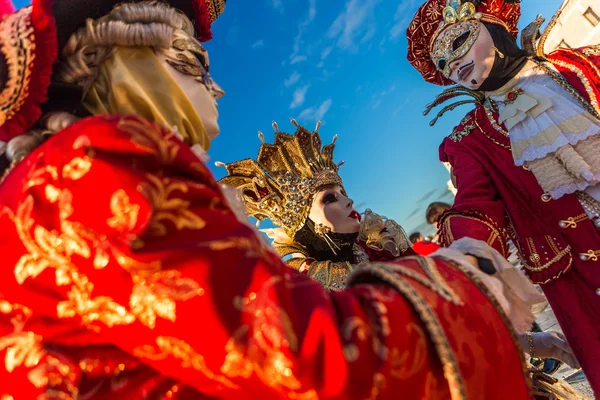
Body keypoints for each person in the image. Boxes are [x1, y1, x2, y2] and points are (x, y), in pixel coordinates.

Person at [0, 0, 578, 398]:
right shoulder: (97, 162)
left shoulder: (43, 190)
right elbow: (299, 359)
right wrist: (469, 283)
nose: (217, 86)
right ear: (129, 65)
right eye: (193, 64)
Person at [406, 0, 600, 393]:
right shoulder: (470, 140)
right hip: (583, 279)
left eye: (460, 42)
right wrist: (455, 269)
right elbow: (477, 211)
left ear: (493, 24)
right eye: (443, 65)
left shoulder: (579, 66)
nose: (453, 65)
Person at [218, 119, 415, 291]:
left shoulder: (384, 247)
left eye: (343, 193)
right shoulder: (304, 289)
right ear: (306, 224)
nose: (349, 201)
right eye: (330, 198)